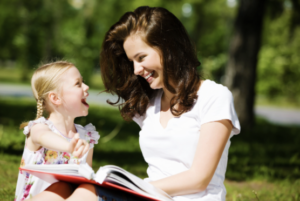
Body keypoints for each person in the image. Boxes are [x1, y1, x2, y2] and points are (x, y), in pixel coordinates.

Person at [99, 6, 241, 201]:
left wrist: (135, 188)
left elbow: (199, 179)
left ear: (168, 47)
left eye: (141, 58)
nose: (136, 70)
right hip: (148, 196)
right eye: (132, 61)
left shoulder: (214, 96)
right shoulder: (148, 105)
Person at [15, 61, 100, 201]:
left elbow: (86, 177)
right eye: (78, 84)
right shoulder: (39, 127)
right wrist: (68, 146)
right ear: (55, 98)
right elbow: (43, 136)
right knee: (62, 187)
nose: (86, 87)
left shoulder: (87, 136)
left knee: (87, 189)